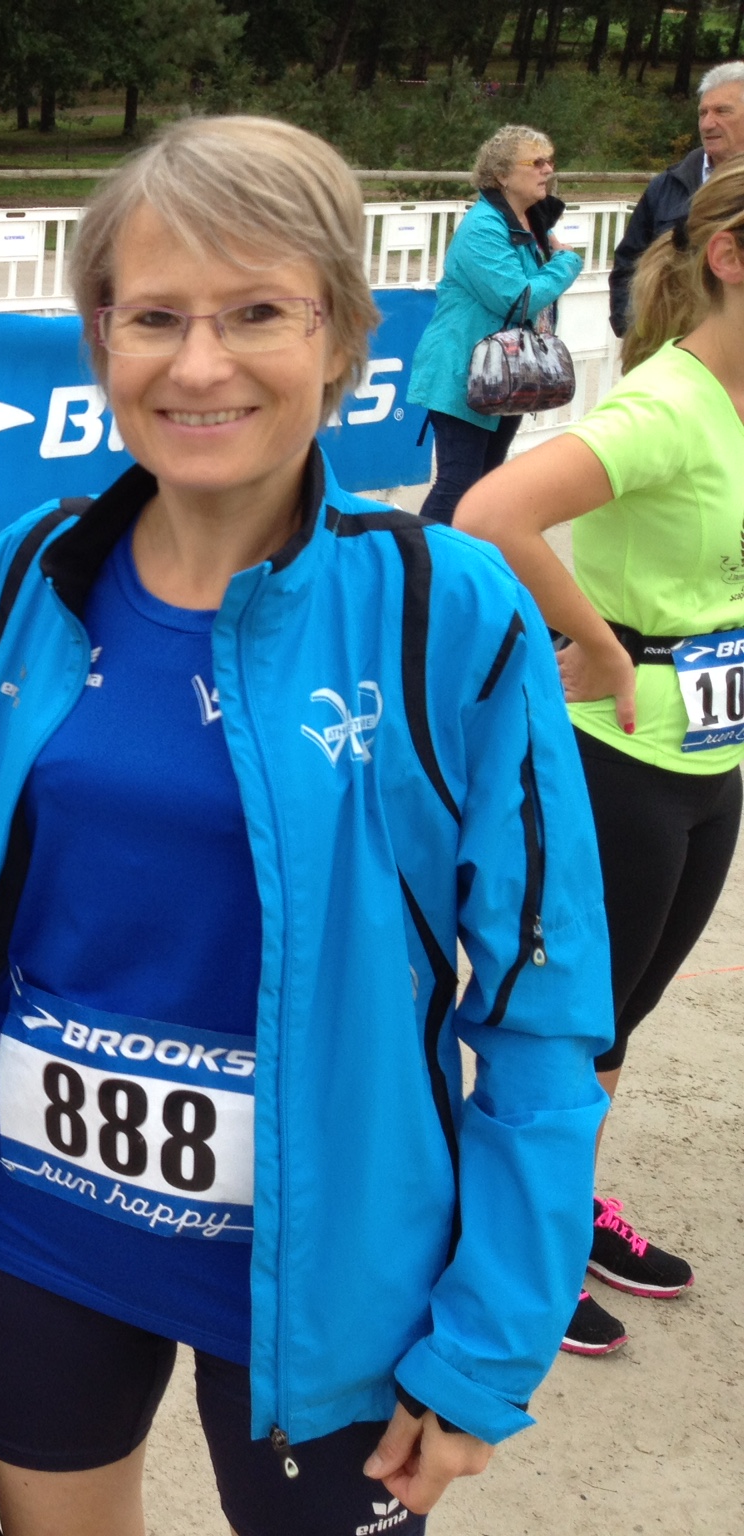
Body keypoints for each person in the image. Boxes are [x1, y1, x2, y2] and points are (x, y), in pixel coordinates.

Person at [0, 116, 612, 1536]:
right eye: (155, 318)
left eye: (257, 311)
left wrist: (492, 1338)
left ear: (341, 337)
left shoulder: (449, 611)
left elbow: (541, 1010)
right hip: (36, 1231)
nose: (200, 365)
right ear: (101, 340)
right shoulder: (32, 576)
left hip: (333, 1283)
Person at [457, 160, 744, 1358]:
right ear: (729, 258)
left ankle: (561, 1215)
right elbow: (489, 515)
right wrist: (593, 647)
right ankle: (499, 1249)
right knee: (561, 1029)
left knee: (619, 1022)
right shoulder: (669, 403)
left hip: (707, 763)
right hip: (613, 766)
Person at [405, 124, 583, 525]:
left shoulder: (532, 222)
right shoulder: (484, 226)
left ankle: (465, 571)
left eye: (550, 161)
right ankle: (422, 566)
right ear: (502, 174)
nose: (547, 170)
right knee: (458, 484)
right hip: (466, 372)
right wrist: (566, 263)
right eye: (535, 162)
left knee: (484, 484)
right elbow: (519, 299)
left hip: (510, 372)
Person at [609, 61, 744, 338]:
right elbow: (628, 267)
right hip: (675, 351)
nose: (707, 123)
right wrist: (640, 333)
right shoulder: (667, 186)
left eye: (722, 111)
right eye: (703, 113)